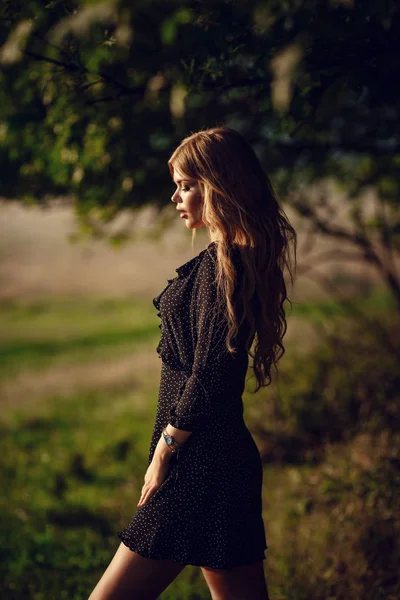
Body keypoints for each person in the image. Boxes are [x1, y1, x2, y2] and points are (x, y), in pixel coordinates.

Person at [88, 126, 297, 600]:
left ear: (218, 186)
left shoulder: (228, 267)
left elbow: (213, 374)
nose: (175, 196)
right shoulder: (233, 260)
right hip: (215, 460)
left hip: (197, 464)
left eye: (186, 185)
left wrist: (166, 449)